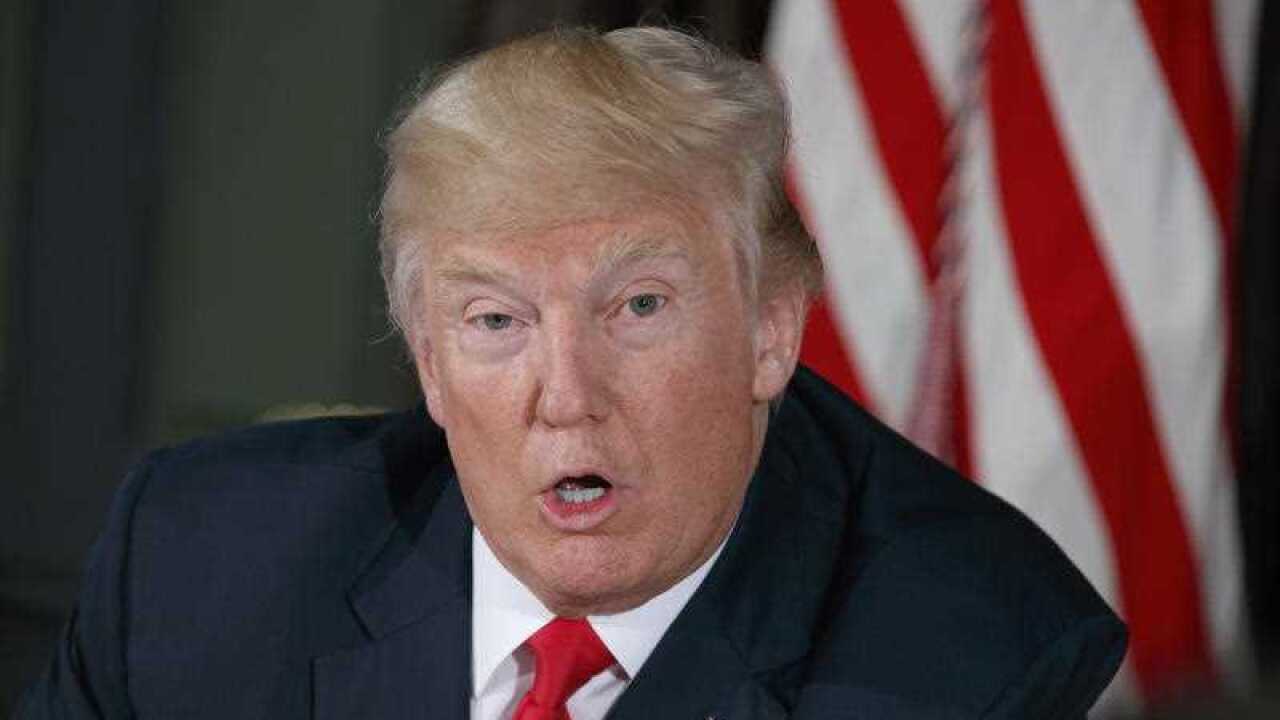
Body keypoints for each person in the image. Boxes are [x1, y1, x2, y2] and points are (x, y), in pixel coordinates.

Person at [14, 26, 1125, 719]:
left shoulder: (972, 658)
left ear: (768, 333)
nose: (565, 393)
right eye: (494, 320)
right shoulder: (199, 566)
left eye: (637, 308)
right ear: (431, 365)